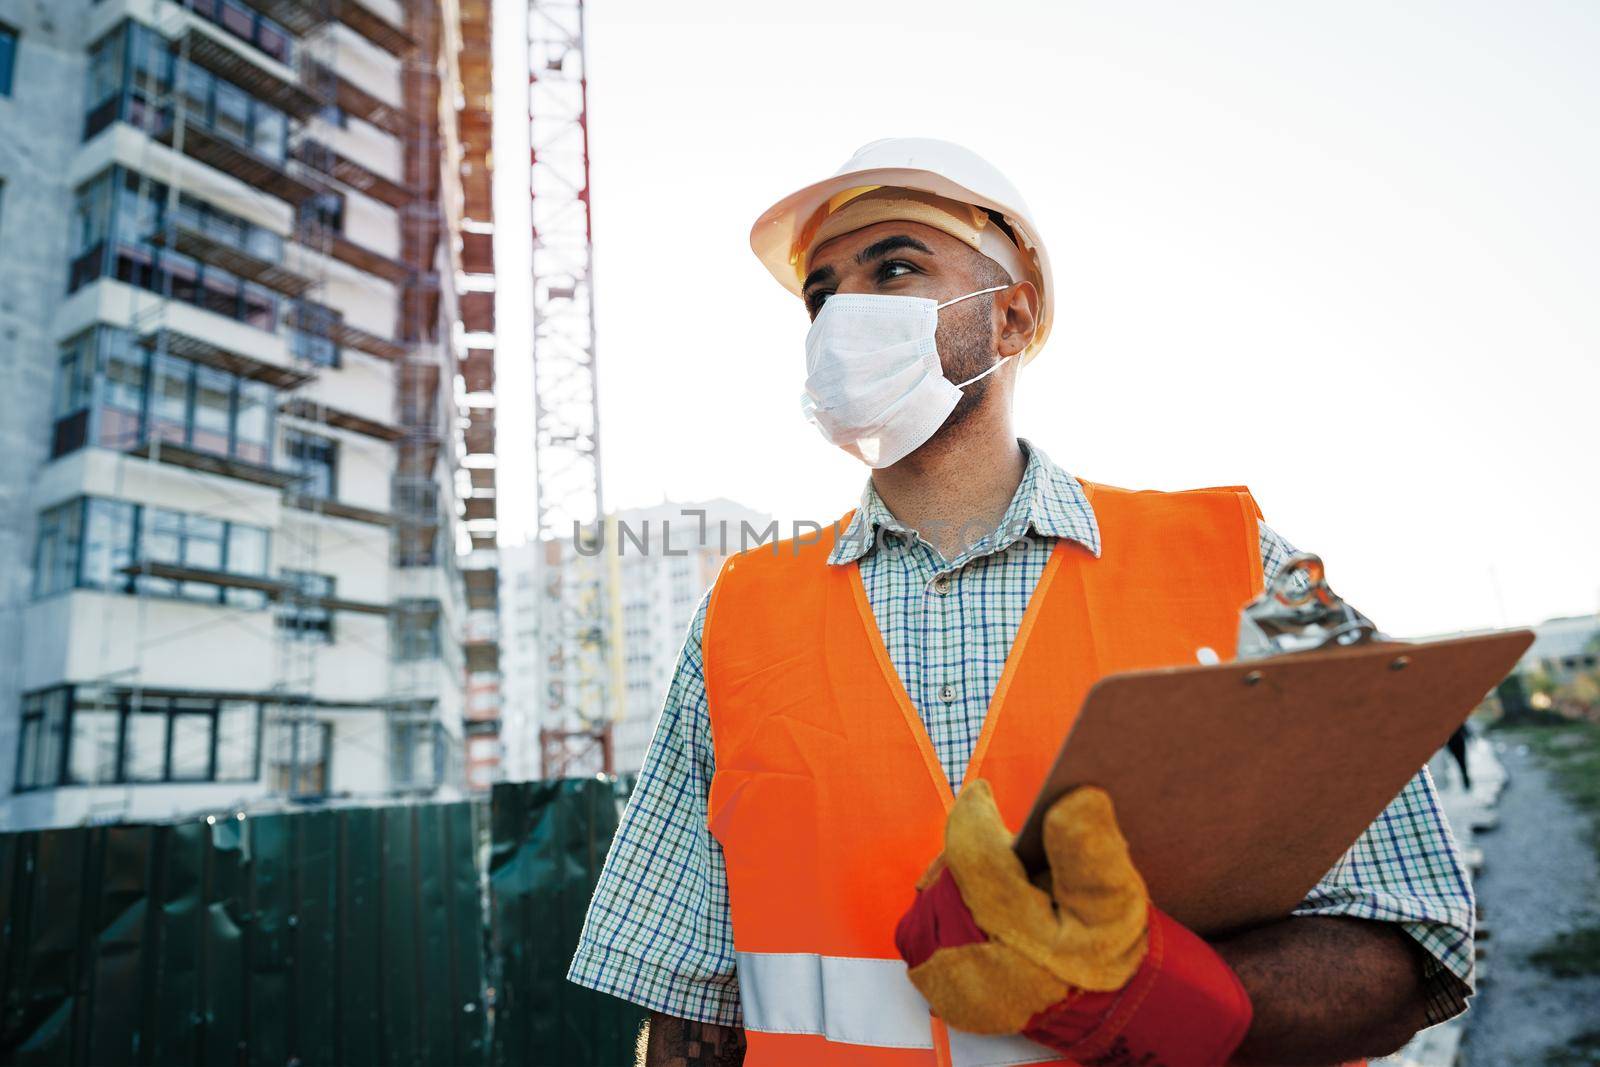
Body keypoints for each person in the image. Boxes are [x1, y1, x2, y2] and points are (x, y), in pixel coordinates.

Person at [567, 139, 1475, 1067]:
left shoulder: (1239, 562)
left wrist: (1160, 994)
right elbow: (689, 1013)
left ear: (1011, 317)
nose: (845, 316)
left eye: (895, 267)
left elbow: (1407, 937)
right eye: (823, 294)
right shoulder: (740, 616)